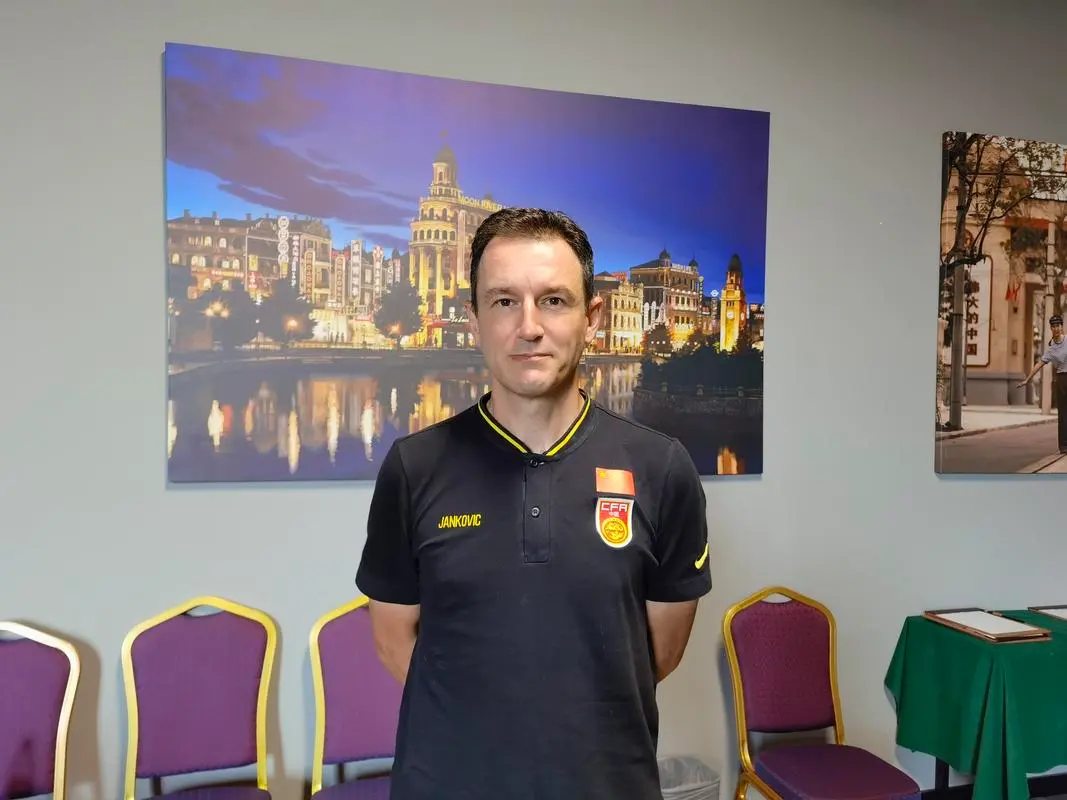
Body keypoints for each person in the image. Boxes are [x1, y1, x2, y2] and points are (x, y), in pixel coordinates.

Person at [355, 207, 711, 800]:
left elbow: (658, 652)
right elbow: (396, 643)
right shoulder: (413, 467)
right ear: (474, 319)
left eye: (553, 300)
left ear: (591, 317)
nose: (529, 327)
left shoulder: (662, 468)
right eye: (503, 302)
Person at [1018, 313, 1067, 454]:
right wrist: (1027, 379)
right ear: (1051, 328)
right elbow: (1039, 364)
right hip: (1061, 380)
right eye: (1053, 326)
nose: (1056, 328)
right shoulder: (1051, 349)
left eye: (1058, 325)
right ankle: (1064, 445)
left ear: (1062, 327)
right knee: (1063, 414)